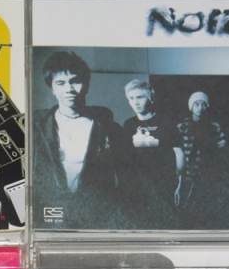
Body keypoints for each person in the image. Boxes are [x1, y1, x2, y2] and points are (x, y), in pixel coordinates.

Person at [32, 51, 133, 229]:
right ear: (52, 89)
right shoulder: (36, 128)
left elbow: (128, 178)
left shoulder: (109, 128)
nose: (69, 89)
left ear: (86, 84)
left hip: (95, 216)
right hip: (52, 216)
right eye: (60, 83)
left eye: (75, 81)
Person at [121, 80, 177, 228]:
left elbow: (178, 153)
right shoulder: (128, 125)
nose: (135, 102)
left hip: (163, 184)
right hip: (137, 185)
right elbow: (125, 159)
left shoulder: (167, 122)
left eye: (140, 97)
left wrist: (179, 182)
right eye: (131, 98)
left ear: (150, 98)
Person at [172, 91, 228, 228]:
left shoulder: (214, 126)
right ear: (191, 106)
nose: (200, 108)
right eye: (196, 104)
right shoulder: (182, 126)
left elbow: (221, 147)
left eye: (203, 104)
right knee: (184, 204)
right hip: (186, 171)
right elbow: (177, 151)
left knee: (204, 206)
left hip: (206, 171)